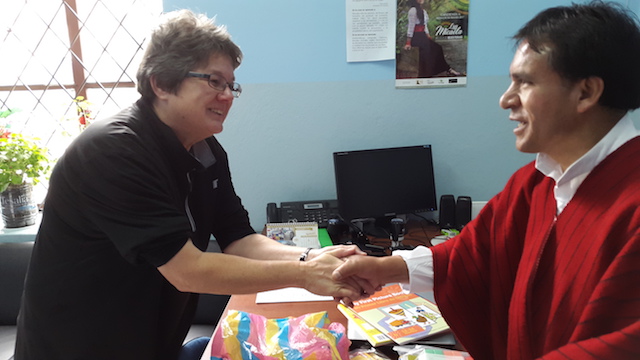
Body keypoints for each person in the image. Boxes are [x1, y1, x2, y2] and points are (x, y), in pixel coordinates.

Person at [15, 10, 365, 360]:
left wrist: (315, 257)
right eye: (214, 81)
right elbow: (187, 271)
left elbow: (239, 239)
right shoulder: (114, 151)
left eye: (231, 85)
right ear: (162, 84)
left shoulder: (206, 151)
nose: (227, 96)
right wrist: (304, 274)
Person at [335, 1, 640, 359]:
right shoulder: (533, 185)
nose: (505, 100)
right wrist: (386, 268)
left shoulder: (630, 204)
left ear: (586, 92)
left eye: (524, 82)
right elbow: (471, 258)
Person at [403, 0, 461, 77]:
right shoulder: (413, 10)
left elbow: (425, 26)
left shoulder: (423, 11)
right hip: (416, 36)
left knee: (437, 47)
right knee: (427, 50)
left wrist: (428, 36)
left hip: (422, 36)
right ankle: (427, 73)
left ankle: (447, 70)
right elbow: (411, 27)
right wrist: (408, 42)